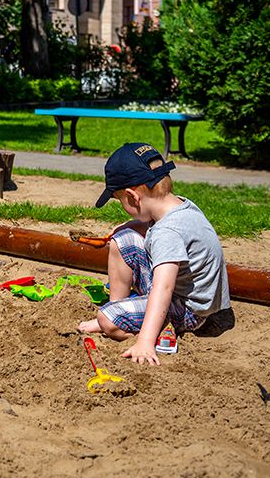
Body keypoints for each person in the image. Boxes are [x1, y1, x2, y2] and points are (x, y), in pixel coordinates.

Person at [78, 142, 233, 364]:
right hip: (185, 293)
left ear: (133, 197)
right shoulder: (181, 207)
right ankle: (120, 308)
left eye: (121, 201)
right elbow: (149, 225)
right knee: (122, 238)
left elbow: (164, 287)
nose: (123, 206)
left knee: (106, 319)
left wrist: (145, 341)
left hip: (189, 309)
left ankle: (148, 330)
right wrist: (128, 225)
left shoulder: (167, 233)